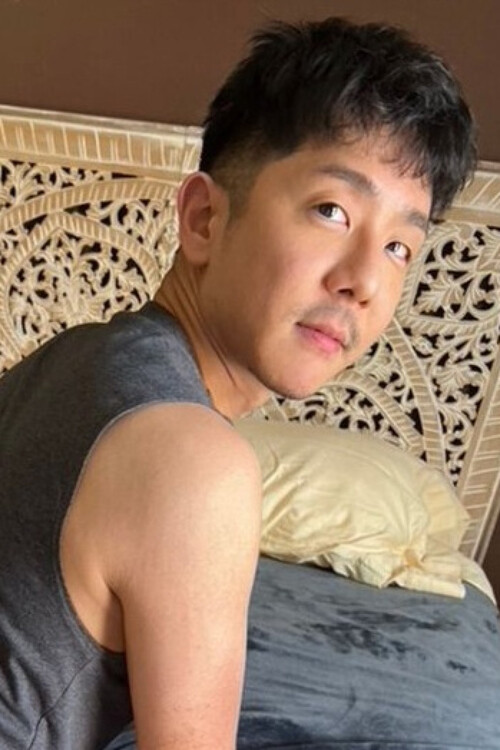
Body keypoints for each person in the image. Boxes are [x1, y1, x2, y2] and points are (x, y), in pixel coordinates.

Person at [0, 16, 476, 750]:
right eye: (332, 211)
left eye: (398, 247)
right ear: (202, 219)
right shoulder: (197, 467)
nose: (362, 281)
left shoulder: (79, 354)